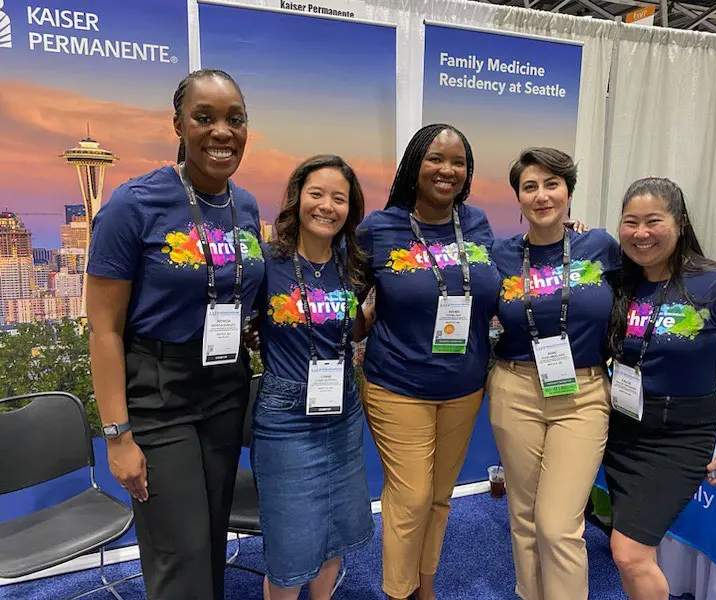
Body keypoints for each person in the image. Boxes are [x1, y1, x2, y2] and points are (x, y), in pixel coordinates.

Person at [86, 69, 264, 600]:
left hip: (226, 387)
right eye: (204, 118)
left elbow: (236, 291)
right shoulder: (133, 204)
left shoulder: (246, 206)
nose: (222, 132)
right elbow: (102, 328)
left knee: (208, 538)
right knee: (177, 550)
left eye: (235, 119)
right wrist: (117, 436)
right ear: (179, 124)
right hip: (159, 392)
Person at [604, 177, 716, 600]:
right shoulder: (621, 282)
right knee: (634, 548)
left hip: (679, 435)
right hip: (622, 429)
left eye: (653, 221)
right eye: (630, 222)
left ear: (679, 223)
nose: (641, 234)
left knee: (628, 553)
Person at [356, 124, 500, 600]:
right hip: (397, 384)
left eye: (457, 162)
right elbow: (343, 305)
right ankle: (397, 593)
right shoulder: (379, 228)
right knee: (411, 497)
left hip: (464, 385)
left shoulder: (477, 224)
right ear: (415, 165)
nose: (447, 170)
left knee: (439, 498)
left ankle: (426, 587)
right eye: (436, 159)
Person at [487, 147, 620, 600]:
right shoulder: (500, 255)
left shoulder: (600, 246)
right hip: (515, 386)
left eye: (552, 184)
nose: (541, 195)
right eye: (530, 187)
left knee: (559, 523)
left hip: (582, 392)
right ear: (518, 198)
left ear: (568, 192)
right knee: (524, 516)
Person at [251, 155, 374, 600]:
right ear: (297, 199)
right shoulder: (268, 264)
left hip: (342, 412)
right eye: (316, 194)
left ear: (349, 208)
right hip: (286, 421)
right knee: (290, 551)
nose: (326, 206)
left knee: (334, 535)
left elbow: (351, 326)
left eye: (338, 198)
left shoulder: (350, 265)